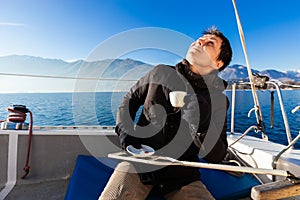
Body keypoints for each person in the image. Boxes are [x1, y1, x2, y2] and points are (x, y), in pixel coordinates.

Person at [99, 26, 232, 200]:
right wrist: (126, 134)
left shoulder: (218, 101)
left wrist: (202, 125)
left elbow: (216, 156)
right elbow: (129, 101)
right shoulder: (160, 72)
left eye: (210, 43)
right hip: (139, 164)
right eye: (200, 38)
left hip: (182, 176)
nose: (200, 41)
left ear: (218, 63)